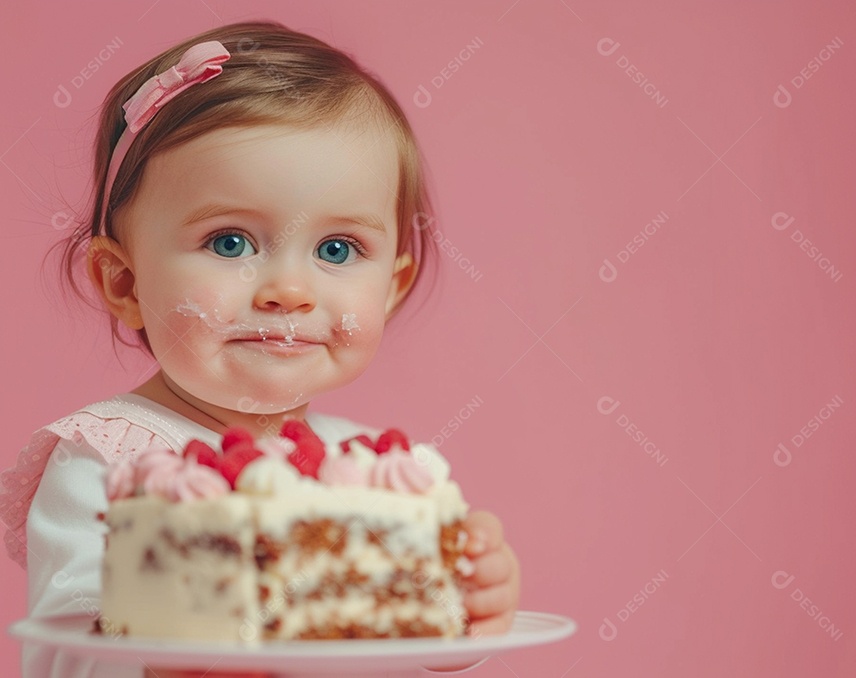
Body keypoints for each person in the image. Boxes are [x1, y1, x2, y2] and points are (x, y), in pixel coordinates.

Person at [0, 21, 520, 678]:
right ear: (126, 282)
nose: (288, 291)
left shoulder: (367, 472)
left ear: (391, 288)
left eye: (338, 250)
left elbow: (407, 639)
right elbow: (60, 656)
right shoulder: (103, 462)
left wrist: (467, 606)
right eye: (230, 243)